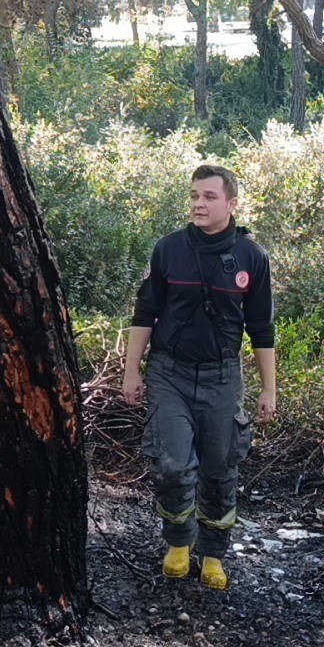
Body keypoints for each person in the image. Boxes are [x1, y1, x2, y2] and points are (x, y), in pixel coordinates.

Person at [122, 164, 277, 591]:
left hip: (223, 377)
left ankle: (213, 554)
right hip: (169, 373)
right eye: (194, 195)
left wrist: (269, 389)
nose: (198, 203)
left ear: (232, 204)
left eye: (209, 196)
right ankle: (177, 542)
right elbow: (144, 313)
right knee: (171, 465)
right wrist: (132, 370)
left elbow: (262, 329)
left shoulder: (252, 257)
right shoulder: (169, 249)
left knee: (220, 470)